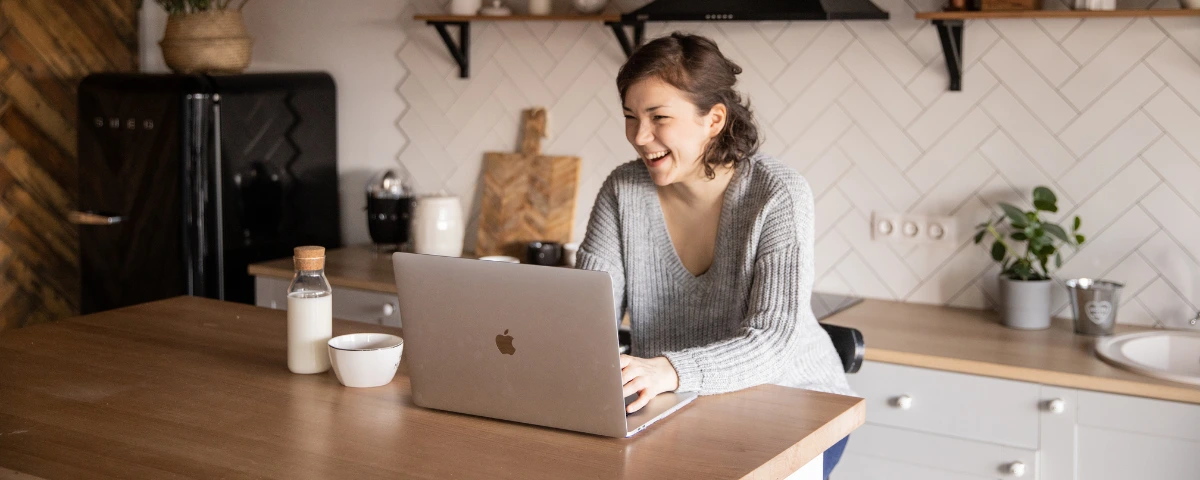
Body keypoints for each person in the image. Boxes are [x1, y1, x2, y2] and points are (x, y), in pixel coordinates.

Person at [574, 32, 855, 478]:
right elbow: (584, 319)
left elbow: (773, 343)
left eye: (658, 117)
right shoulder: (622, 190)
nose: (640, 136)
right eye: (630, 117)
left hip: (795, 408)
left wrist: (669, 370)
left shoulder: (776, 194)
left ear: (714, 119)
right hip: (673, 407)